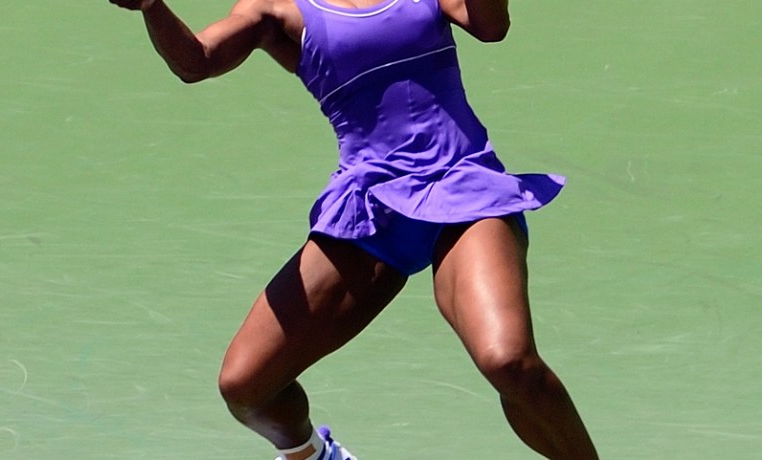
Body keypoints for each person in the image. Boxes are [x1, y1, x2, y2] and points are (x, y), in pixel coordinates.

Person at [106, 0, 599, 458]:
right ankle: (314, 455)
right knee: (247, 384)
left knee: (507, 361)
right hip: (370, 210)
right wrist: (151, 6)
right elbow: (197, 61)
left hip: (463, 187)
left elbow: (491, 26)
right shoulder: (276, 9)